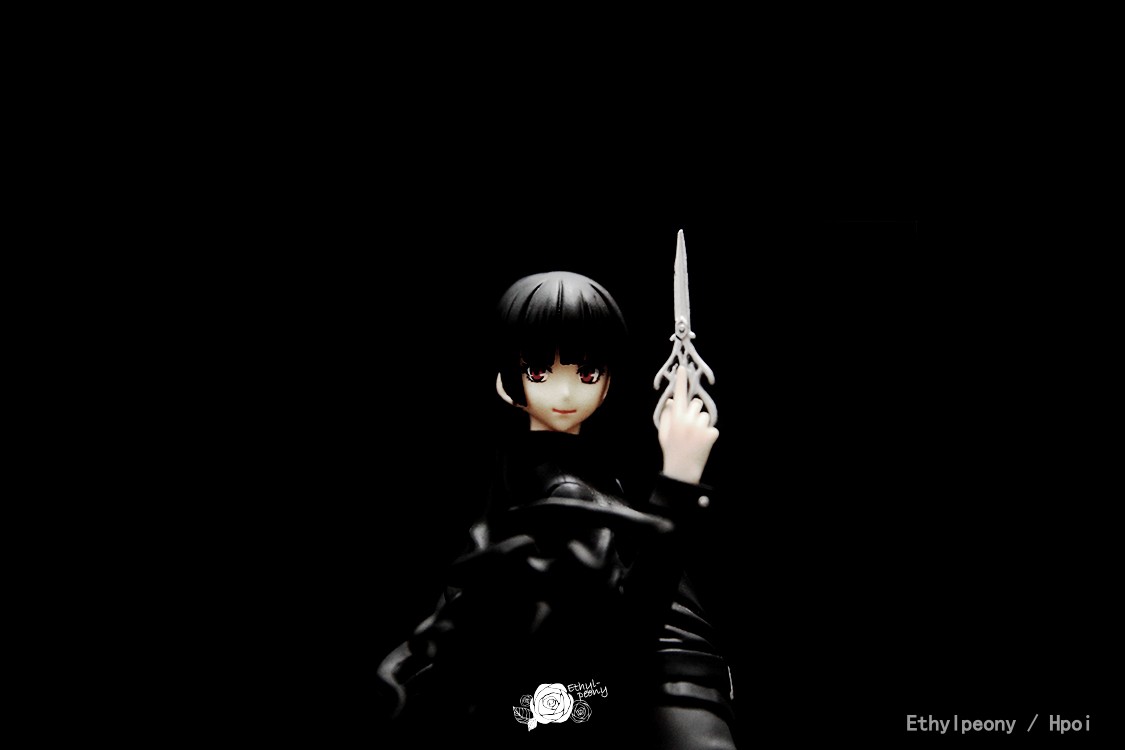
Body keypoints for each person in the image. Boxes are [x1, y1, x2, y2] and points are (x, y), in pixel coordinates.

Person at [377, 271, 737, 749]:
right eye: (538, 372)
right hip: (656, 680)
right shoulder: (558, 485)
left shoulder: (557, 468)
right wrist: (678, 481)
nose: (565, 394)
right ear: (506, 381)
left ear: (607, 381)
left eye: (586, 373)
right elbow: (628, 630)